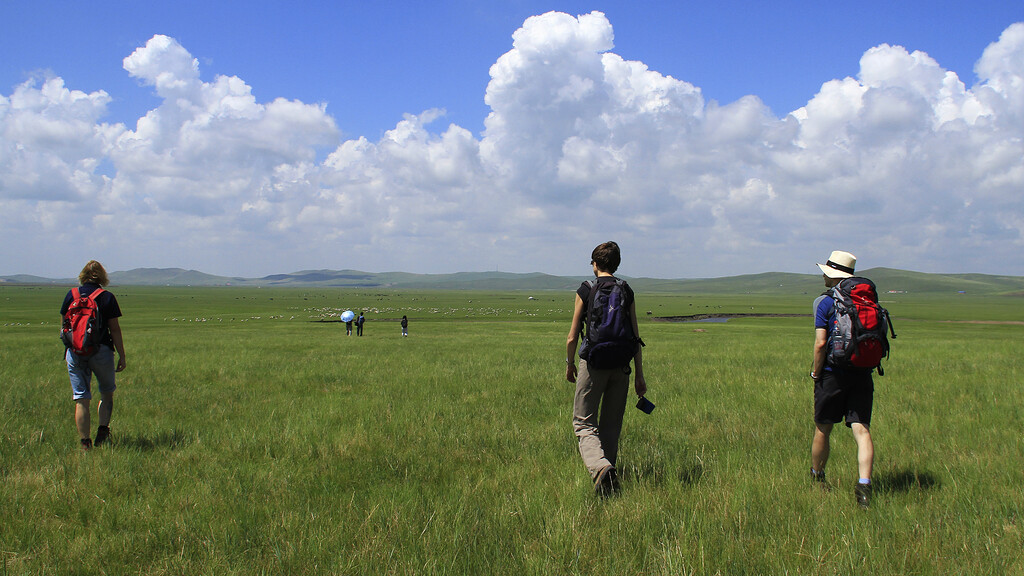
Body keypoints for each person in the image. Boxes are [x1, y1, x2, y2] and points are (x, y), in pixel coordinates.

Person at [565, 241, 646, 497]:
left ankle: (600, 468)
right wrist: (640, 376)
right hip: (621, 365)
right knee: (611, 425)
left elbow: (572, 336)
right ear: (617, 264)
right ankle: (608, 484)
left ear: (595, 264)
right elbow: (635, 337)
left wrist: (569, 365)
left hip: (594, 363)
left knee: (584, 423)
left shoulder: (586, 290)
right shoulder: (626, 290)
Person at [809, 250, 875, 508]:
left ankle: (817, 477)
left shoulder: (824, 302)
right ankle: (865, 486)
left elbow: (821, 343)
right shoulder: (867, 299)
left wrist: (816, 373)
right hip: (862, 372)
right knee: (861, 429)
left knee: (823, 427)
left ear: (831, 274)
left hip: (832, 374)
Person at [60, 261, 126, 450]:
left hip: (74, 352)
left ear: (82, 276)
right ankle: (103, 433)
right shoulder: (106, 297)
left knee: (81, 398)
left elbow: (64, 328)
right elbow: (114, 329)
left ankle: (85, 443)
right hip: (102, 351)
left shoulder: (70, 295)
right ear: (102, 276)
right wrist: (121, 355)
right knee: (106, 393)